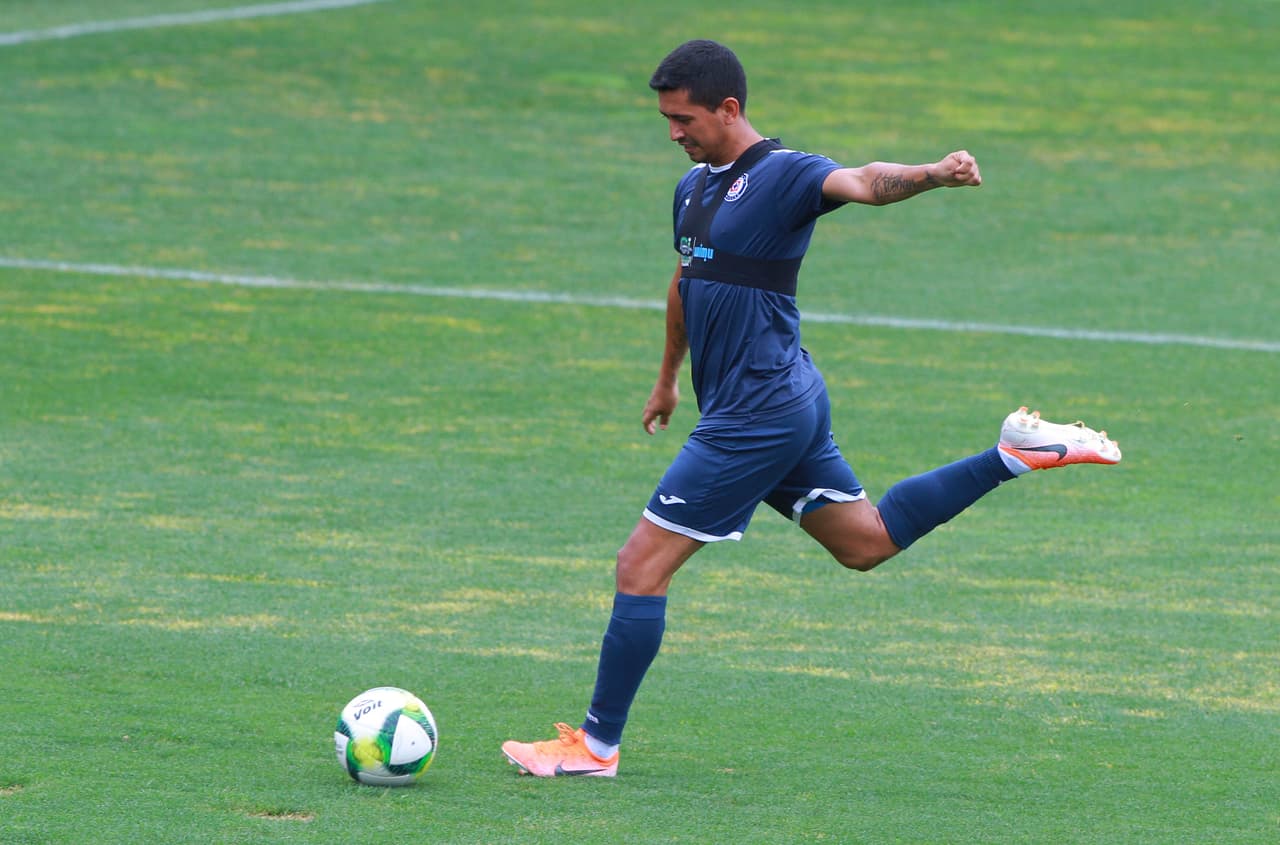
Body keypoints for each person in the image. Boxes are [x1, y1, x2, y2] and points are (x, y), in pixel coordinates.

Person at [501, 39, 1120, 778]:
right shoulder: (693, 186)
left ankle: (595, 747)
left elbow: (862, 180)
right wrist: (668, 377)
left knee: (639, 565)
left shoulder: (785, 175)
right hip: (774, 400)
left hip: (759, 412)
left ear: (729, 109)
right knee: (866, 543)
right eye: (666, 118)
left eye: (683, 118)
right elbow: (685, 281)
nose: (672, 131)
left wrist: (933, 174)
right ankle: (1014, 452)